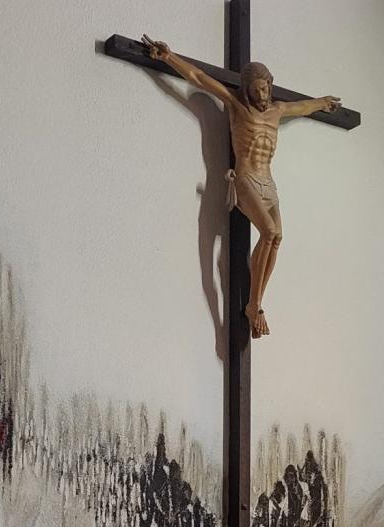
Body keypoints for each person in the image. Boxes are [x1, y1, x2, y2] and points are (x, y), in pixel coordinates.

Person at [143, 36, 340, 339]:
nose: (264, 93)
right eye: (259, 89)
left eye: (268, 87)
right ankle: (254, 305)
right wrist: (169, 58)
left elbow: (303, 107)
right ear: (247, 89)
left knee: (277, 239)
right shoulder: (237, 105)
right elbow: (198, 78)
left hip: (268, 181)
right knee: (270, 232)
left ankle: (256, 302)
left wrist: (323, 103)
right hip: (245, 177)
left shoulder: (277, 110)